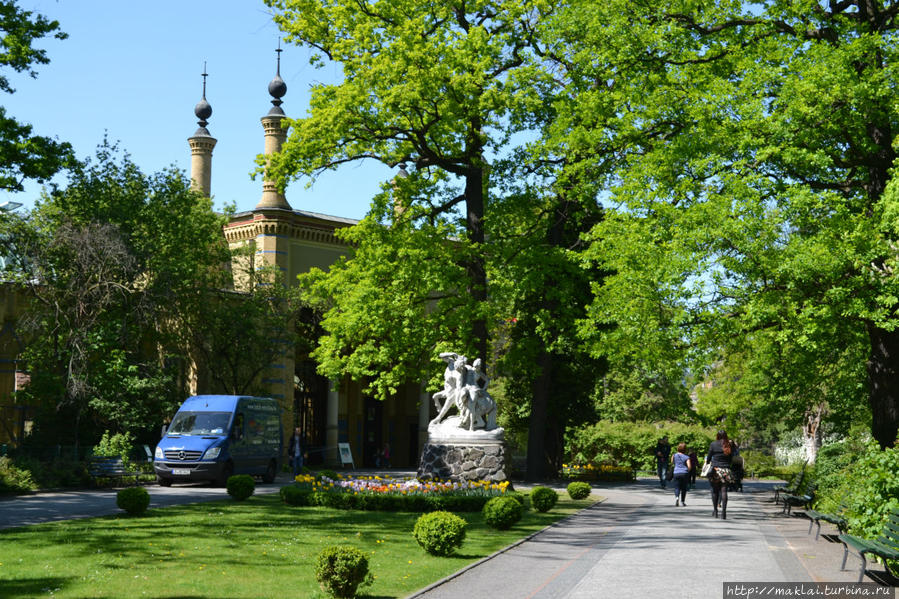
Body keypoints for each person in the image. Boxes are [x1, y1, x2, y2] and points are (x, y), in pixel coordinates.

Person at [705, 430, 739, 519]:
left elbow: (708, 458)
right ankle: (724, 512)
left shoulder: (713, 444)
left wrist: (709, 462)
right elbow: (733, 457)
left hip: (716, 470)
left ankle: (715, 511)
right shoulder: (729, 445)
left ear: (717, 436)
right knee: (724, 491)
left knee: (715, 491)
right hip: (726, 470)